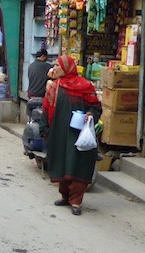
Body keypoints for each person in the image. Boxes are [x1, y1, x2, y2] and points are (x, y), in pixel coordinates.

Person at [41, 55, 101, 216]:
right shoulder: (54, 87)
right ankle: (65, 196)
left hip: (78, 133)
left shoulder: (85, 86)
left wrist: (90, 114)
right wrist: (44, 128)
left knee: (77, 164)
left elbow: (95, 107)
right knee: (61, 162)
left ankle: (76, 201)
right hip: (59, 132)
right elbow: (46, 108)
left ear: (67, 68)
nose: (55, 69)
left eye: (58, 66)